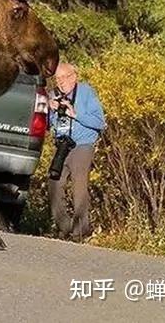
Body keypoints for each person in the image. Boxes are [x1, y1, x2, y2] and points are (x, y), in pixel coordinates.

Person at [47, 63, 105, 241]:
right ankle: (64, 225)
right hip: (62, 144)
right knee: (53, 182)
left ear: (73, 77)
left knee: (79, 185)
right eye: (57, 79)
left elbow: (99, 122)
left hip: (82, 143)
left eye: (64, 78)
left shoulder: (86, 93)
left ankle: (80, 230)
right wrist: (50, 110)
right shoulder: (54, 94)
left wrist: (75, 113)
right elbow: (48, 124)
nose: (60, 82)